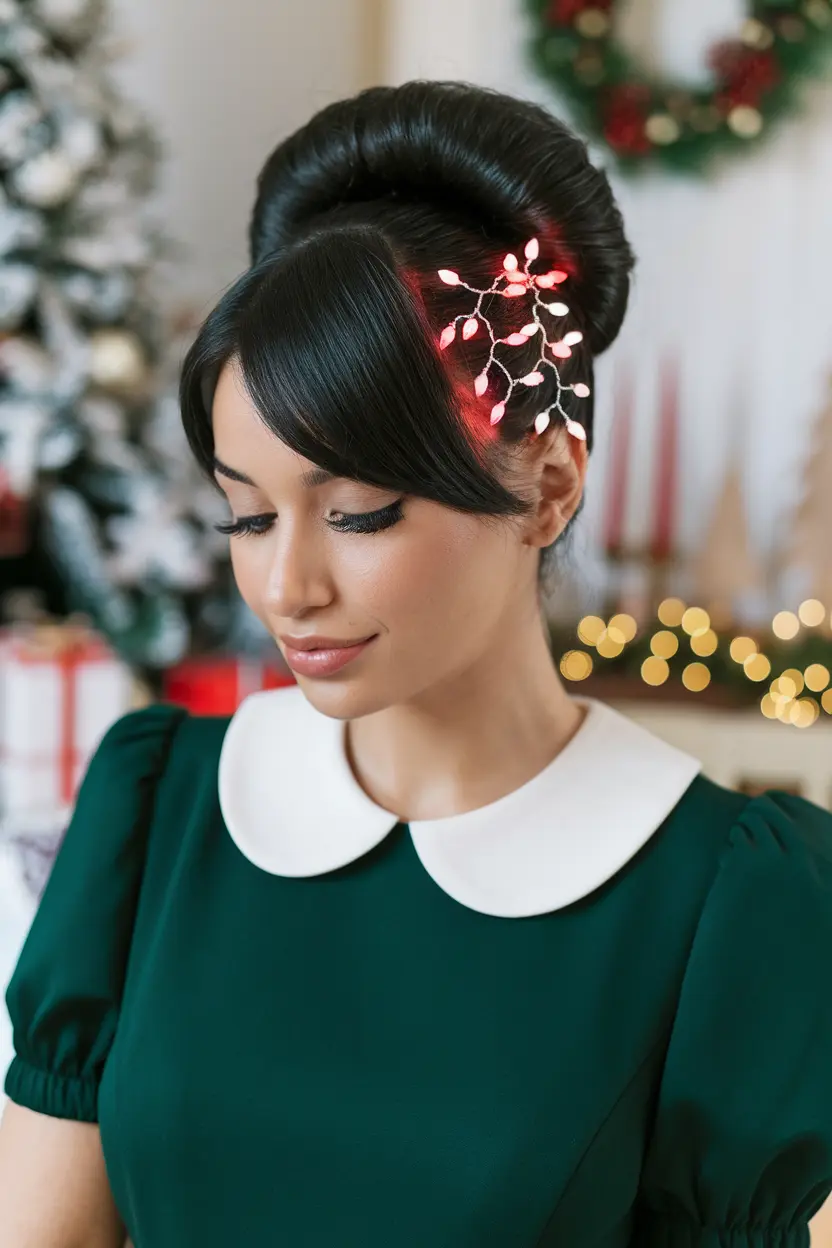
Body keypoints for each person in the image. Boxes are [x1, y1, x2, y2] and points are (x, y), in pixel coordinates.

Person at [1, 80, 831, 1248]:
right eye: (247, 516)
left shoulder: (726, 903)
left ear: (546, 486)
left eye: (359, 514)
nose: (286, 587)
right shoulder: (157, 810)